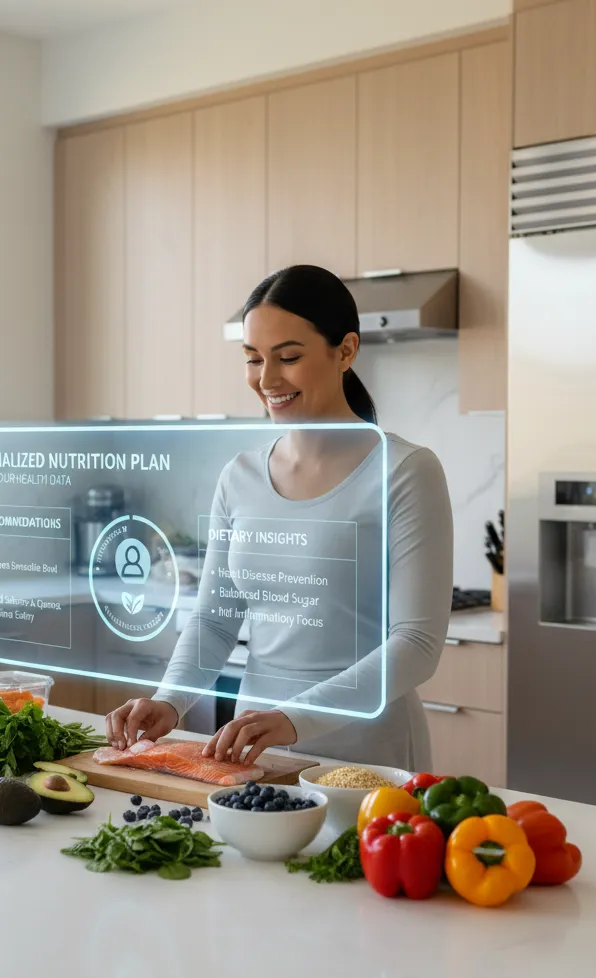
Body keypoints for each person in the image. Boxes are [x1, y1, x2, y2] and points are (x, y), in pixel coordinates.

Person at [104, 265, 453, 770]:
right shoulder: (240, 476)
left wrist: (295, 718)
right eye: (253, 359)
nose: (267, 379)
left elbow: (417, 644)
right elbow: (215, 620)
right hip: (256, 750)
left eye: (288, 357)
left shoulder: (404, 471)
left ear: (346, 351)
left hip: (367, 759)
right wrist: (169, 700)